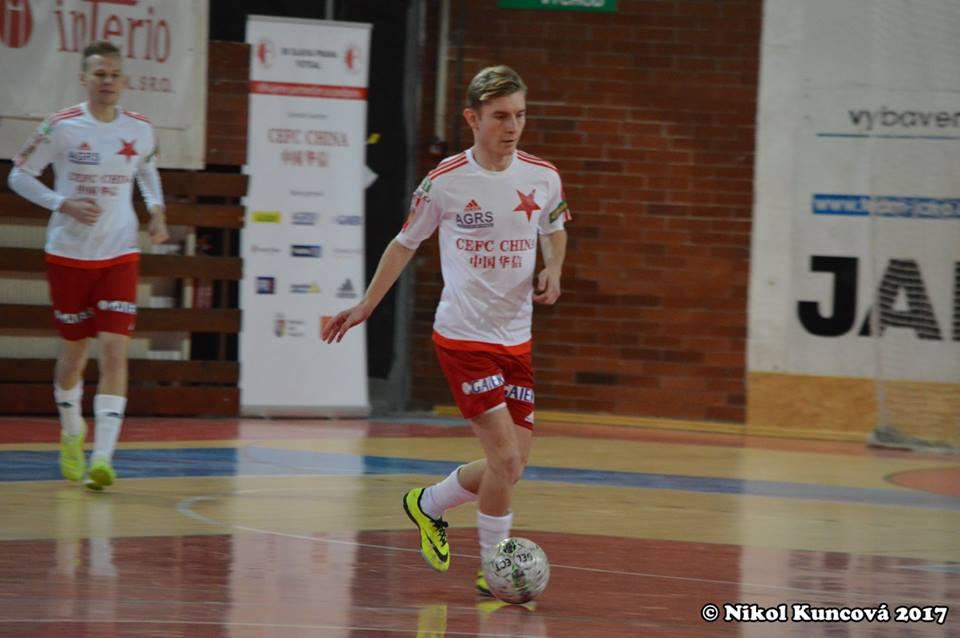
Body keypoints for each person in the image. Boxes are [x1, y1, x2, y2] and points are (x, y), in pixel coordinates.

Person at [322, 65, 570, 596]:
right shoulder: (446, 181)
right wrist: (367, 304)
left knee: (512, 465)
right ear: (472, 119)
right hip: (463, 339)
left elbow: (554, 226)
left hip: (516, 341)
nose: (512, 126)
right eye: (500, 116)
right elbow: (404, 243)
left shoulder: (543, 176)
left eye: (520, 115)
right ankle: (494, 569)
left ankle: (428, 503)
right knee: (504, 457)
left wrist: (554, 267)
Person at [7, 41, 168, 491]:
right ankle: (72, 432)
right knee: (74, 354)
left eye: (114, 74)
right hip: (68, 254)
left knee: (115, 351)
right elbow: (18, 175)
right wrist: (63, 204)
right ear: (84, 79)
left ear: (124, 80)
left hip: (119, 253)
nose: (107, 82)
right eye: (99, 74)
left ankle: (103, 458)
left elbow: (147, 171)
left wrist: (156, 210)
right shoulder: (61, 126)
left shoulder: (140, 128)